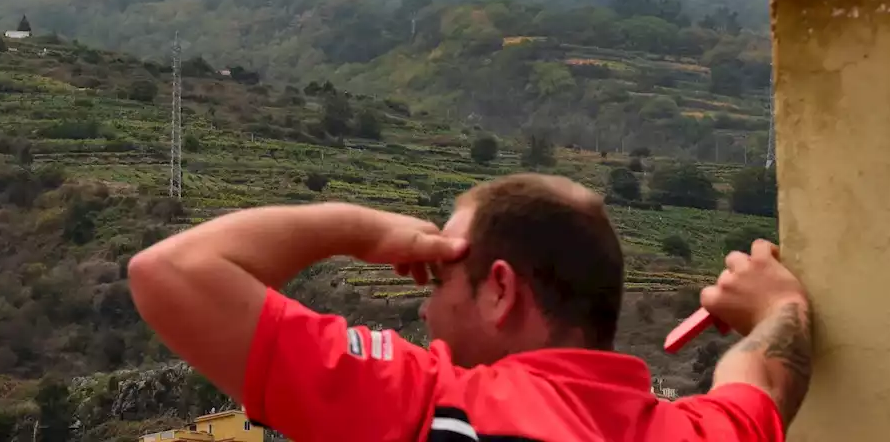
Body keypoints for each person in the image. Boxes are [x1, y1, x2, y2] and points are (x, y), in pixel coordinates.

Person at [129, 173, 812, 441]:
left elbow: (171, 272)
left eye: (438, 273)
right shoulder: (699, 434)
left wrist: (359, 230)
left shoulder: (427, 408)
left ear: (502, 289)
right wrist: (774, 298)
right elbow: (770, 371)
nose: (424, 312)